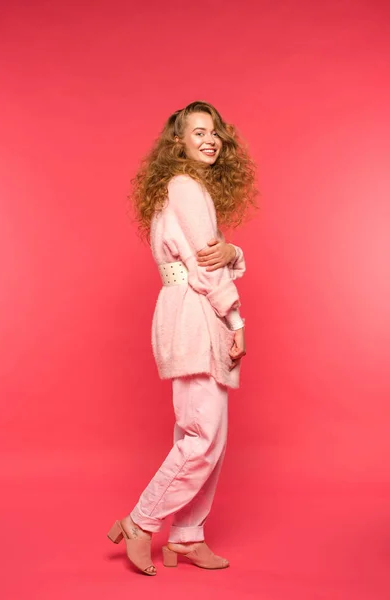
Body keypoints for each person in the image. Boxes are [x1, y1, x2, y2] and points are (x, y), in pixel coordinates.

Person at [107, 101, 257, 575]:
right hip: (196, 310)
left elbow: (213, 254)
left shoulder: (184, 188)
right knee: (202, 436)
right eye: (198, 133)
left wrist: (233, 249)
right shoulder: (186, 185)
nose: (210, 140)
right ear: (179, 143)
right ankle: (141, 521)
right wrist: (236, 320)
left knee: (207, 435)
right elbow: (204, 268)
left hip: (191, 307)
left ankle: (188, 537)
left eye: (215, 132)